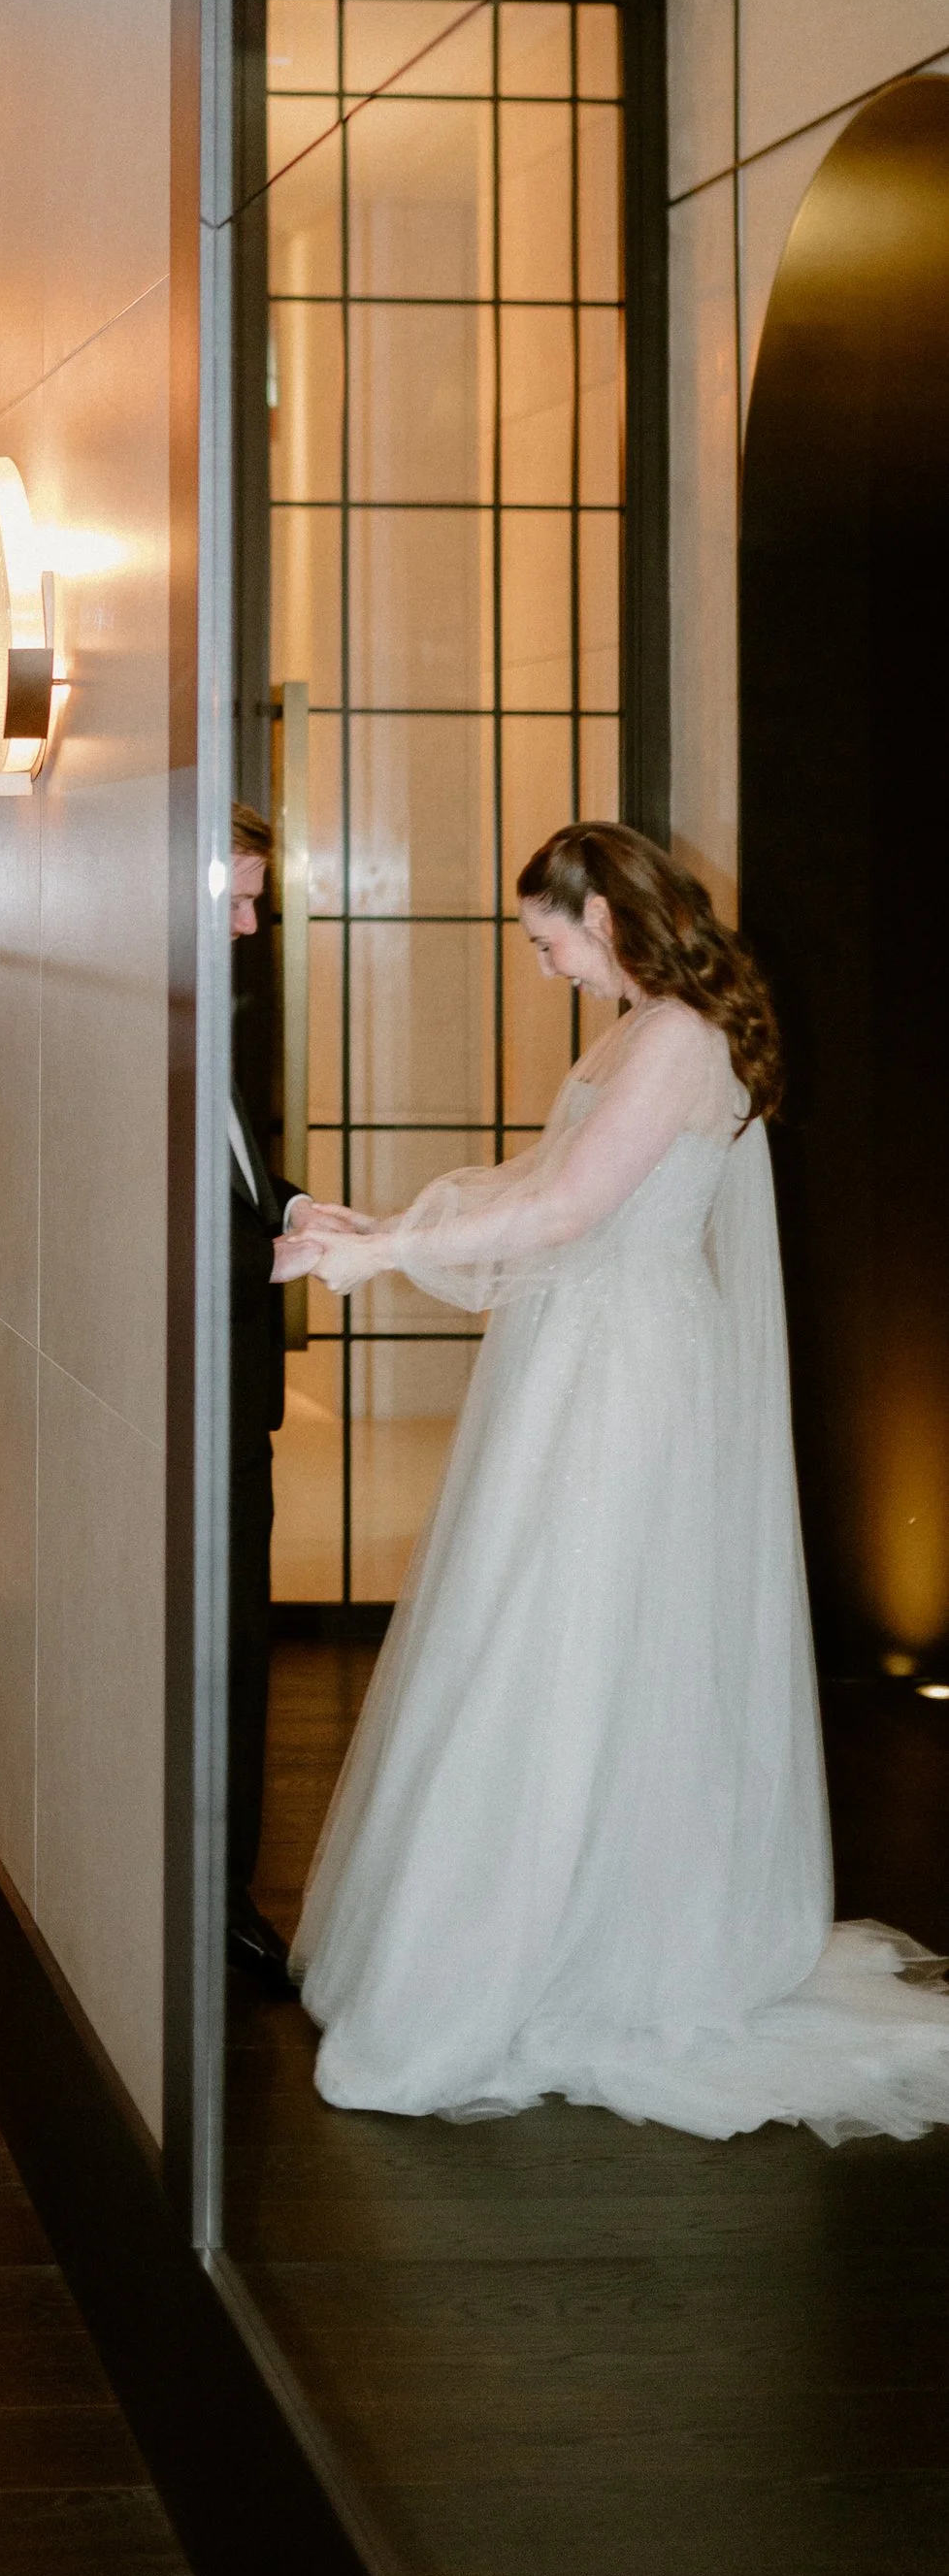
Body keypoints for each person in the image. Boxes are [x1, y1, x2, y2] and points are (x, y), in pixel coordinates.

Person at [290, 822, 949, 2138]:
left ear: (609, 917)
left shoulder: (679, 1038)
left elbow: (567, 1213)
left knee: (579, 1637)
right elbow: (542, 1185)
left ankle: (560, 1951)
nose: (542, 966)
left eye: (548, 940)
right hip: (589, 1353)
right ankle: (545, 1921)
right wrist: (390, 1228)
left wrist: (377, 1263)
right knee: (548, 1633)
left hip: (626, 1371)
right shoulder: (646, 1022)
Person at [226, 802, 320, 1998]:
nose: (252, 925)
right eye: (237, 897)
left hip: (233, 1402)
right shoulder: (131, 1031)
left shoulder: (222, 1016)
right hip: (171, 1410)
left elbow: (241, 1176)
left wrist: (293, 1213)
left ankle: (228, 1893)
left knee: (240, 1661)